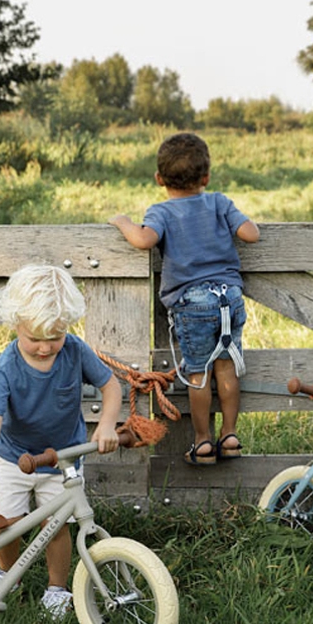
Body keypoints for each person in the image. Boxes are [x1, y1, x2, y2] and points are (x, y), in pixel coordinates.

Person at [0, 264, 122, 619]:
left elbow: (111, 386)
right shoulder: (7, 366)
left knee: (58, 527)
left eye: (56, 336)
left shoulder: (75, 351)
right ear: (15, 324)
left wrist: (107, 424)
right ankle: (8, 574)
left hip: (62, 459)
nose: (46, 347)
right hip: (13, 455)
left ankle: (56, 590)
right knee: (5, 521)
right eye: (35, 338)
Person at [109, 132, 260, 466]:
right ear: (206, 177)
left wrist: (122, 222)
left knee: (198, 375)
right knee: (227, 369)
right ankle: (231, 434)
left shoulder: (161, 212)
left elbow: (144, 240)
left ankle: (203, 440)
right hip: (228, 298)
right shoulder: (220, 202)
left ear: (159, 179)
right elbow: (251, 234)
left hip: (193, 304)